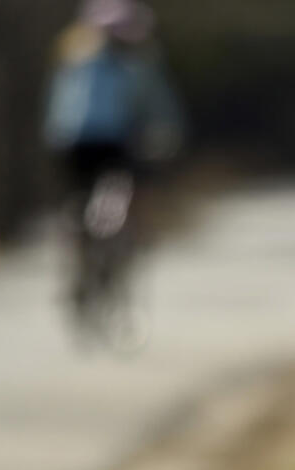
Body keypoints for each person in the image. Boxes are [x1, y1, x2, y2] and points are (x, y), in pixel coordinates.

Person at [43, 0, 183, 341]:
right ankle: (101, 244)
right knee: (120, 199)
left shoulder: (74, 53)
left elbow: (58, 105)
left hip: (69, 143)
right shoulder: (136, 61)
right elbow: (159, 107)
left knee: (81, 203)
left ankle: (77, 250)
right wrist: (168, 136)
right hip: (110, 144)